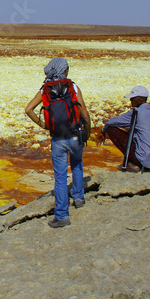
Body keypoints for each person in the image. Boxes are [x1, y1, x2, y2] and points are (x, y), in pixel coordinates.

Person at [24, 57, 92, 229]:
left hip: (58, 137)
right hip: (75, 134)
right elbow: (84, 112)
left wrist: (44, 125)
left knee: (60, 176)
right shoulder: (73, 87)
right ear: (64, 70)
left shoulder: (45, 89)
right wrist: (88, 131)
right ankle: (78, 198)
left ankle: (61, 215)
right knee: (77, 164)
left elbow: (28, 109)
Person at [100, 85, 150, 172]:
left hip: (144, 159)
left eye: (133, 98)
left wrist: (103, 130)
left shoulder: (136, 113)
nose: (130, 100)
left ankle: (134, 163)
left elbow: (111, 122)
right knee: (133, 131)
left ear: (142, 99)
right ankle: (132, 162)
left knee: (111, 129)